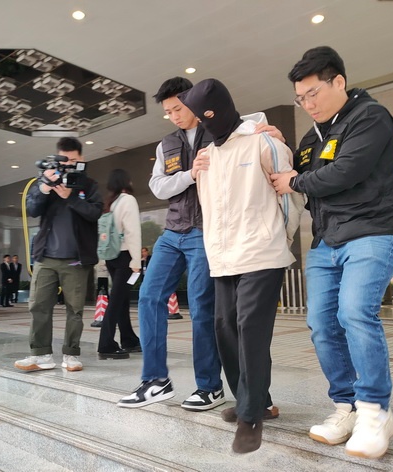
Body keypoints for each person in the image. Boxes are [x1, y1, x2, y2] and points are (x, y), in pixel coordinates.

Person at [117, 77, 284, 414]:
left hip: (206, 232)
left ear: (192, 102)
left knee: (201, 307)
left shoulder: (220, 130)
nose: (174, 116)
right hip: (172, 231)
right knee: (149, 296)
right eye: (168, 112)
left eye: (178, 108)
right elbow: (158, 187)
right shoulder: (166, 144)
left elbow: (254, 131)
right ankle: (155, 380)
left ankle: (209, 386)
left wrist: (272, 134)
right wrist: (189, 174)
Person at [272, 46, 393, 459]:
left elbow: (345, 171)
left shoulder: (370, 117)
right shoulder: (313, 137)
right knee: (321, 323)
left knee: (355, 313)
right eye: (300, 98)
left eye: (313, 93)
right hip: (326, 241)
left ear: (339, 82)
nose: (307, 104)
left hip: (372, 231)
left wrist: (295, 181)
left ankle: (375, 411)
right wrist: (279, 146)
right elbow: (300, 170)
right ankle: (347, 407)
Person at [178, 78, 298, 454]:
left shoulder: (263, 141)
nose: (203, 124)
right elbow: (210, 208)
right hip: (223, 258)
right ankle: (257, 401)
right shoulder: (205, 157)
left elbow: (290, 198)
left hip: (262, 252)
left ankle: (250, 417)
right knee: (225, 328)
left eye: (205, 116)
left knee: (251, 330)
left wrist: (279, 237)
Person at [14, 137, 103, 373]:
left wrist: (70, 198)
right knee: (39, 306)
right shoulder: (46, 180)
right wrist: (44, 187)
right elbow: (32, 209)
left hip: (76, 259)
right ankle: (40, 355)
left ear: (81, 158)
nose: (68, 165)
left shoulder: (89, 185)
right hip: (46, 257)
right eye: (64, 160)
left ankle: (71, 355)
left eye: (73, 160)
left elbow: (95, 213)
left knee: (75, 309)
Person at [97, 169, 142, 360]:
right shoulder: (128, 200)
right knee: (116, 301)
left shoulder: (110, 203)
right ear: (127, 181)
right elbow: (133, 232)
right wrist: (136, 260)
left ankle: (129, 339)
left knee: (121, 299)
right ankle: (106, 344)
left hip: (111, 256)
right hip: (125, 256)